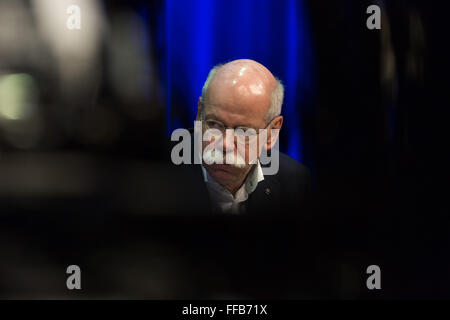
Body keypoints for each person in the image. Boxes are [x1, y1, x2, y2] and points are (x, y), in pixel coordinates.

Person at [168, 59, 311, 218]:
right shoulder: (155, 170)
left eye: (243, 131)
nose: (225, 144)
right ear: (199, 113)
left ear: (272, 132)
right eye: (214, 124)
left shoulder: (294, 183)